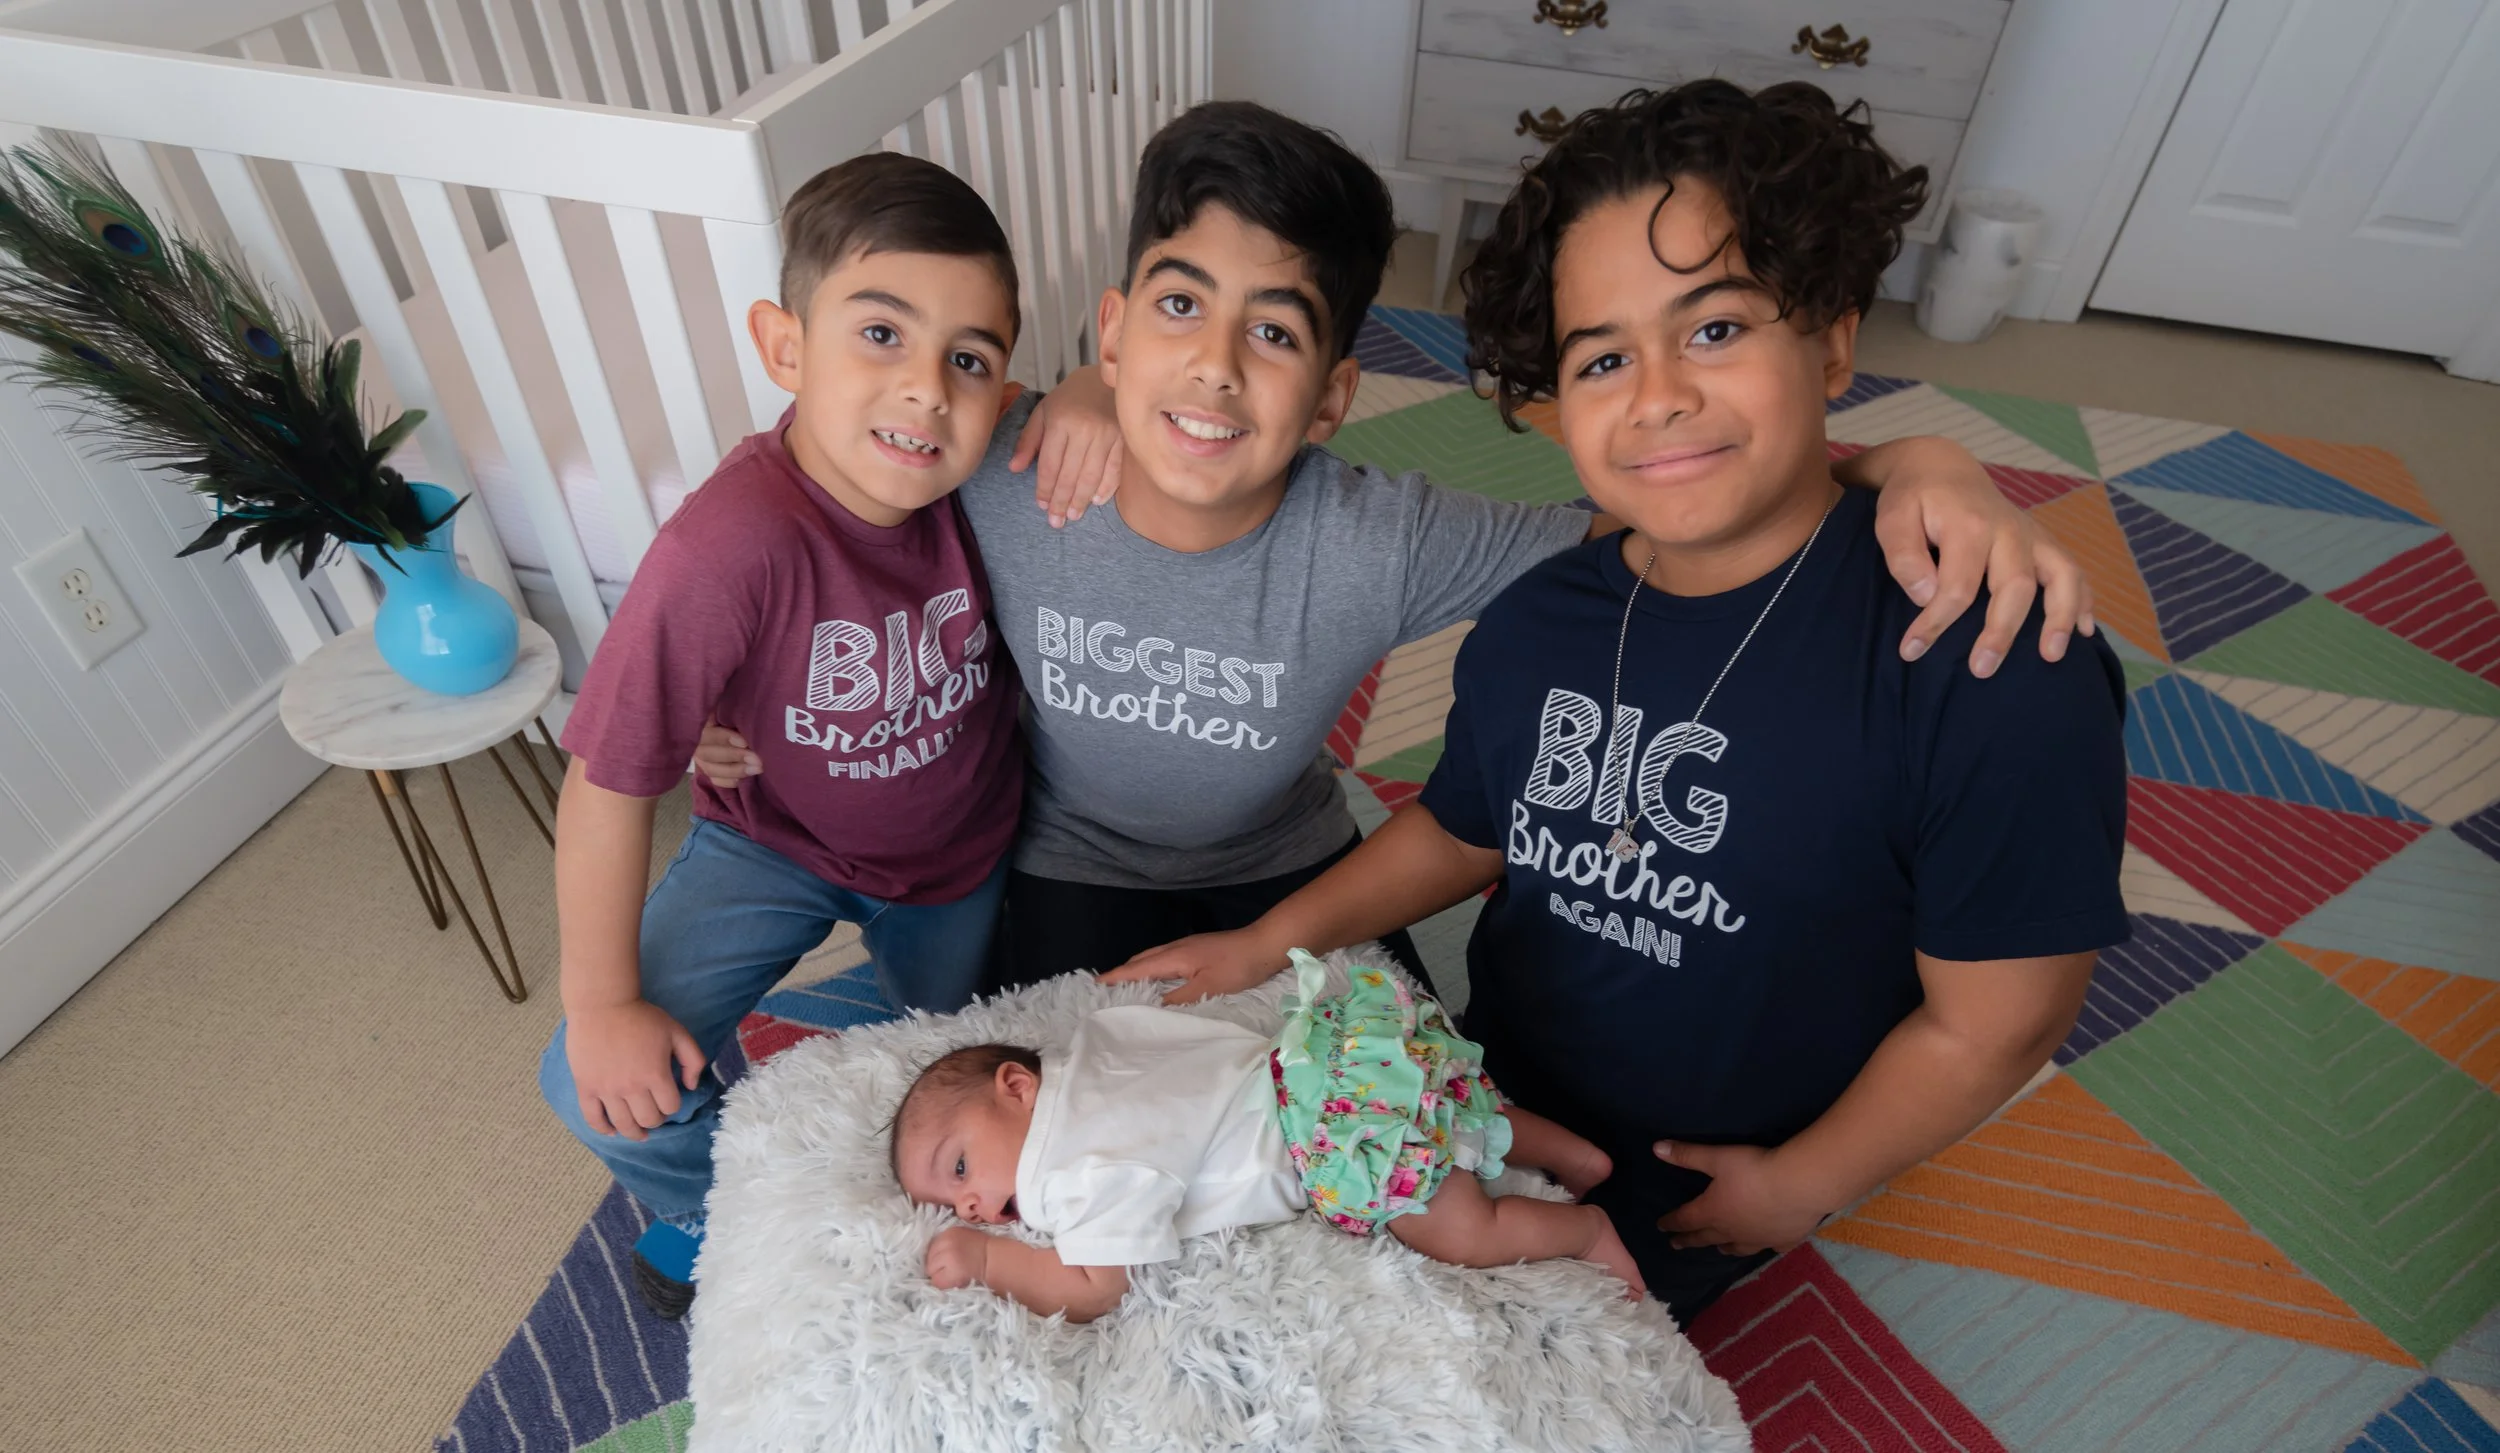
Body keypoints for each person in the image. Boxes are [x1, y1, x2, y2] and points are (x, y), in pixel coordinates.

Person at [1106, 80, 2131, 1322]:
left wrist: (1804, 1186)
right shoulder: (1542, 619)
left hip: (1721, 1180)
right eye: (1602, 357)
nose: (1655, 395)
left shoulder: (1986, 659)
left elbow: (1999, 1024)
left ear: (1833, 339)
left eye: (1713, 330)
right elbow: (1464, 825)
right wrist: (1266, 941)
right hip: (1479, 1102)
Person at [695, 101, 2096, 994]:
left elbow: (1674, 505)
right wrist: (725, 706)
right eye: (1178, 312)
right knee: (1033, 1147)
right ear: (1113, 332)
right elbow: (807, 520)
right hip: (1058, 863)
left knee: (1399, 1137)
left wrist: (1918, 459)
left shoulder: (1386, 533)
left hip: (1287, 865)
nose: (1217, 370)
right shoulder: (1003, 464)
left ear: (1337, 395)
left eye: (1280, 334)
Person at [540, 153, 1114, 1320]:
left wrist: (1088, 393)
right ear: (784, 347)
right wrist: (602, 1003)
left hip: (955, 855)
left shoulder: (986, 461)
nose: (926, 392)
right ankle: (723, 1208)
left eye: (969, 359)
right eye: (880, 336)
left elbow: (1060, 412)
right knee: (582, 1076)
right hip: (774, 841)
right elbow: (607, 782)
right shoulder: (724, 548)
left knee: (951, 1062)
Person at [896, 952, 1639, 1322]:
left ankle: (1581, 1230)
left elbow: (1095, 1284)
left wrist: (990, 1258)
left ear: (1017, 1089)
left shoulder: (1075, 1166)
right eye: (954, 1203)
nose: (965, 1203)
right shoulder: (1095, 1043)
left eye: (958, 1165)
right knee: (1458, 1107)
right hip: (1338, 1051)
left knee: (1463, 1229)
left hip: (1333, 1135)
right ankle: (1573, 1152)